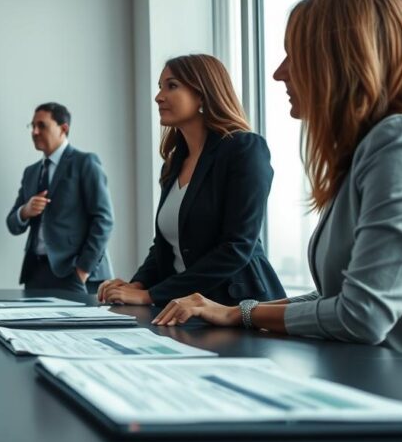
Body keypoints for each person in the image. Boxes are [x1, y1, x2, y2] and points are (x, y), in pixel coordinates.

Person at [151, 0, 402, 352]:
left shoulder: (397, 142)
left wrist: (243, 313)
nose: (279, 72)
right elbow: (333, 296)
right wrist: (236, 312)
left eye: (294, 55)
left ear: (340, 59)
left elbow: (362, 314)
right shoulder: (365, 153)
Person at [98, 54, 285, 308]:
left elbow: (237, 246)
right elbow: (164, 246)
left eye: (172, 86)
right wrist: (138, 284)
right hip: (184, 311)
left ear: (202, 94)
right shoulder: (174, 163)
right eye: (160, 87)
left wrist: (151, 295)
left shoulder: (244, 149)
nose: (159, 97)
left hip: (237, 307)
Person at [6, 102, 114, 293]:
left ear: (63, 128)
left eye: (42, 125)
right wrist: (25, 211)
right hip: (36, 274)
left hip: (74, 274)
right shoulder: (31, 172)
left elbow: (103, 219)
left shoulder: (85, 163)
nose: (35, 131)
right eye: (32, 126)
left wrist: (83, 270)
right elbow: (12, 223)